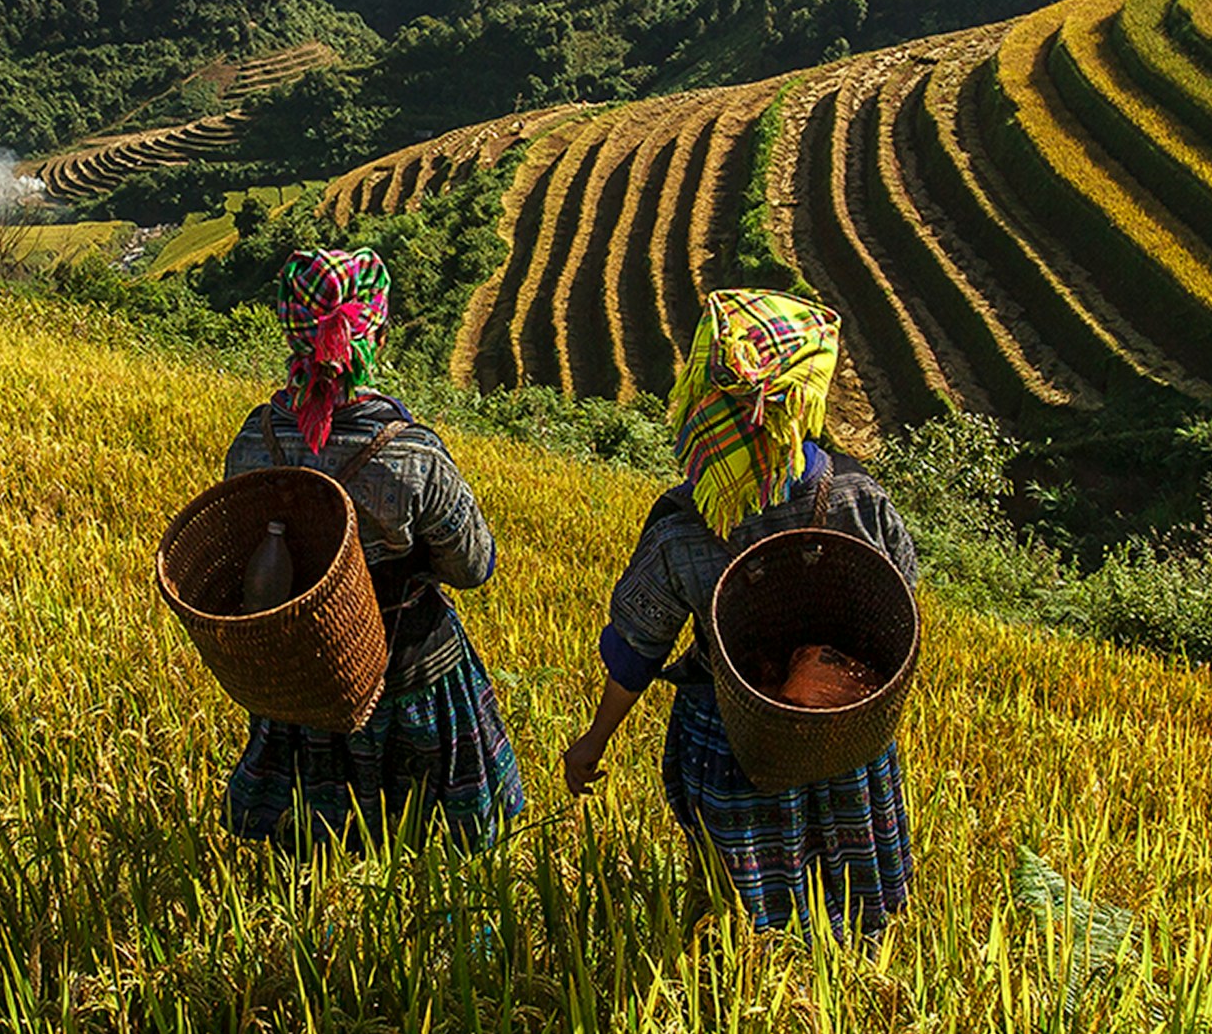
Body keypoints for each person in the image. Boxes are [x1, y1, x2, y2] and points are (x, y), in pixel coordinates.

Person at [561, 287, 919, 933]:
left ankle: (739, 990)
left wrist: (593, 741)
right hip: (842, 739)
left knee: (739, 912)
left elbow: (634, 650)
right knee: (850, 902)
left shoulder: (684, 531)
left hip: (735, 739)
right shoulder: (862, 502)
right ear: (804, 399)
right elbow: (900, 607)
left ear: (703, 397)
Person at [220, 247, 524, 851]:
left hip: (305, 682)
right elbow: (474, 565)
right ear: (376, 334)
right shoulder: (410, 457)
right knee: (439, 856)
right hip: (411, 679)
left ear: (291, 331)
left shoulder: (253, 444)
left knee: (310, 858)